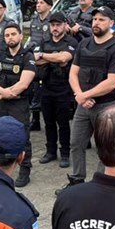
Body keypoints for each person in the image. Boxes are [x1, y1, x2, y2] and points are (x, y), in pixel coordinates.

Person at [67, 6, 115, 183]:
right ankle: (77, 180)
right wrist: (80, 95)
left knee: (105, 148)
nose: (96, 22)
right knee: (76, 143)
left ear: (111, 23)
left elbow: (113, 82)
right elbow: (73, 73)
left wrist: (84, 95)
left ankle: (100, 184)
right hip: (83, 105)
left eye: (102, 19)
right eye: (95, 19)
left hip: (107, 106)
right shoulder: (84, 44)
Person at [0, 20, 36, 187]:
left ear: (21, 36)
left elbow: (24, 84)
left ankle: (25, 169)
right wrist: (3, 92)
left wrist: (0, 94)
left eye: (13, 34)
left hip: (19, 103)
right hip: (2, 104)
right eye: (7, 35)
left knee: (22, 136)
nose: (10, 37)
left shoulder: (27, 56)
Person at [35, 11, 76, 168]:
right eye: (52, 25)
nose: (55, 28)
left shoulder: (71, 41)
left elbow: (64, 58)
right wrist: (55, 57)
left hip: (64, 88)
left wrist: (44, 56)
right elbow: (35, 60)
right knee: (48, 122)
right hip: (46, 87)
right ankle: (50, 151)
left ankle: (65, 153)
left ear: (65, 25)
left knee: (63, 123)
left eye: (58, 25)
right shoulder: (44, 41)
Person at [27, 0, 56, 131]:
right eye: (37, 3)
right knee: (34, 89)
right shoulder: (34, 20)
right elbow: (32, 39)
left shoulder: (54, 20)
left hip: (50, 58)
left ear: (49, 6)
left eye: (42, 3)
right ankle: (35, 119)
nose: (38, 5)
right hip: (36, 58)